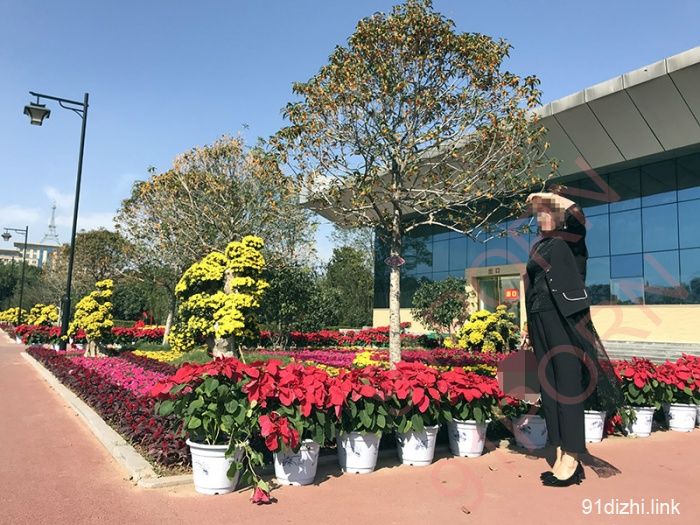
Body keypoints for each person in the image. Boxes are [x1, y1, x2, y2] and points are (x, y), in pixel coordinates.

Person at [524, 191, 624, 488]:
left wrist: (547, 196)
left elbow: (577, 215)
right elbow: (533, 286)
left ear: (558, 215)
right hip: (540, 319)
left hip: (565, 321)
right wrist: (528, 327)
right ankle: (559, 448)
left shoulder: (571, 239)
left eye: (546, 211)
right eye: (538, 213)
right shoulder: (538, 246)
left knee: (567, 385)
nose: (541, 217)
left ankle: (572, 455)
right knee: (549, 386)